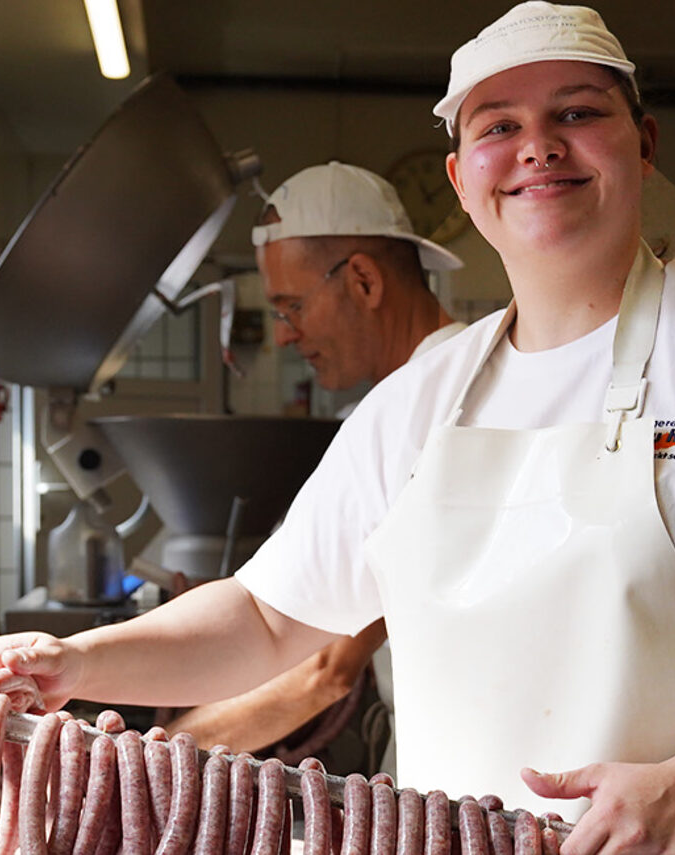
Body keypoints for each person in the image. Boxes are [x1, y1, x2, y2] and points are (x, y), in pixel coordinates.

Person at [0, 4, 675, 853]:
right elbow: (273, 620)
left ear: (641, 147)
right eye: (495, 126)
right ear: (461, 179)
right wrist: (76, 663)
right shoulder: (423, 396)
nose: (537, 148)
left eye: (578, 112)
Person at [164, 161, 465, 770]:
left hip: (471, 781)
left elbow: (320, 667)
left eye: (291, 306)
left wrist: (121, 766)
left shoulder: (448, 406)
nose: (282, 336)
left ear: (363, 281)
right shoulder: (389, 405)